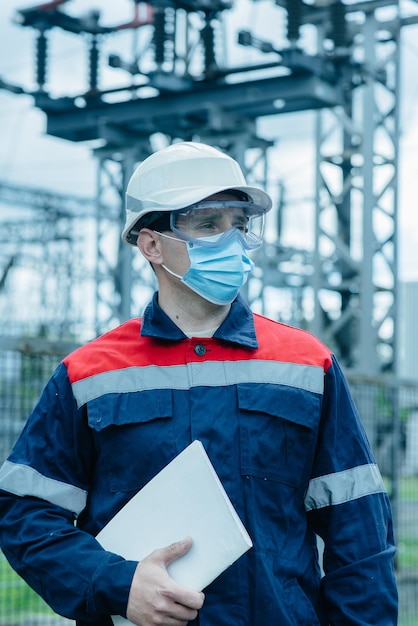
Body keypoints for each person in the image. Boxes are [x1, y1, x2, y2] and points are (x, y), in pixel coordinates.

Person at [0, 141, 397, 626]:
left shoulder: (308, 365)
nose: (231, 242)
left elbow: (359, 531)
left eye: (240, 226)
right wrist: (115, 585)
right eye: (208, 225)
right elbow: (25, 513)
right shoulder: (89, 373)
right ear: (150, 243)